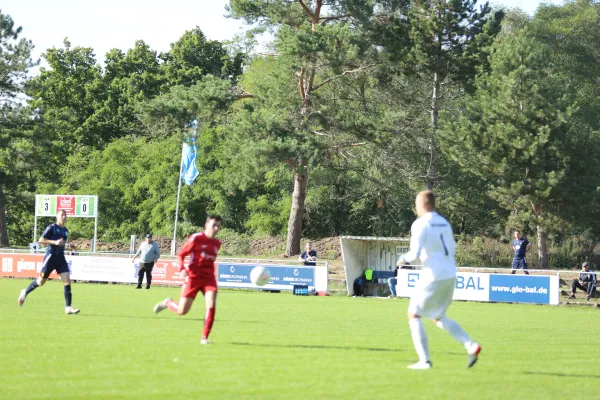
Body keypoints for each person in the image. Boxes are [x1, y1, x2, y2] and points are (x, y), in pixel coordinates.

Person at [397, 190, 480, 370]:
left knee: (413, 314)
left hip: (432, 275)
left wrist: (401, 259)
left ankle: (424, 361)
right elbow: (452, 247)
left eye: (416, 204)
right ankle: (470, 345)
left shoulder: (420, 224)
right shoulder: (444, 223)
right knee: (438, 317)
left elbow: (414, 254)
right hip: (450, 273)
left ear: (422, 204)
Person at [153, 215, 222, 345]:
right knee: (182, 311)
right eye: (214, 225)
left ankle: (204, 338)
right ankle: (168, 302)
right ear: (206, 224)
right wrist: (182, 269)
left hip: (209, 278)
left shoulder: (217, 243)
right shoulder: (196, 238)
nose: (216, 228)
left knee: (211, 303)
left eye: (218, 226)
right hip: (193, 278)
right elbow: (181, 255)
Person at [17, 209, 80, 314]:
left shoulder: (65, 230)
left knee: (67, 281)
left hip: (60, 258)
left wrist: (70, 246)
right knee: (40, 282)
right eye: (62, 215)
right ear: (57, 216)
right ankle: (25, 292)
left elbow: (62, 243)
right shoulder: (51, 228)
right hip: (50, 258)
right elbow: (41, 240)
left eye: (65, 215)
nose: (64, 217)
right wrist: (54, 242)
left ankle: (68, 307)